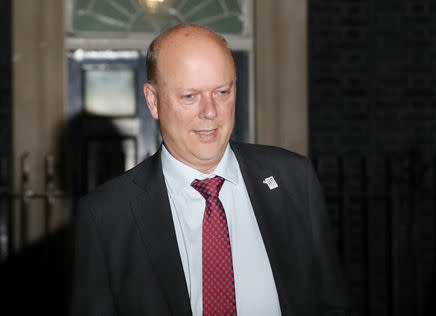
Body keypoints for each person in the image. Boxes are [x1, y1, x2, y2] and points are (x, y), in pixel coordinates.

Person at [71, 23, 352, 316]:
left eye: (221, 92)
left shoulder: (294, 179)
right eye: (189, 96)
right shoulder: (106, 215)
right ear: (153, 101)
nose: (210, 111)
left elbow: (330, 303)